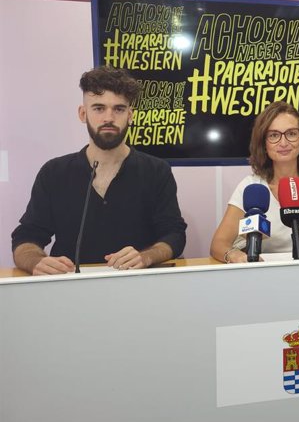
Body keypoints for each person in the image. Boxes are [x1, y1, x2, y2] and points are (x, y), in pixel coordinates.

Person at [11, 66, 187, 275]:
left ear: (130, 115)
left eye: (119, 109)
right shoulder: (54, 172)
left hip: (137, 286)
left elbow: (174, 235)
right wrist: (36, 262)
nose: (108, 118)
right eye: (99, 108)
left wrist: (145, 256)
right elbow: (26, 237)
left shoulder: (157, 171)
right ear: (83, 114)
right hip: (70, 289)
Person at [210, 101, 299, 263]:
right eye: (274, 135)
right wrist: (235, 256)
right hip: (263, 272)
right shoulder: (251, 187)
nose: (283, 143)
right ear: (264, 142)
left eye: (291, 133)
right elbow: (219, 243)